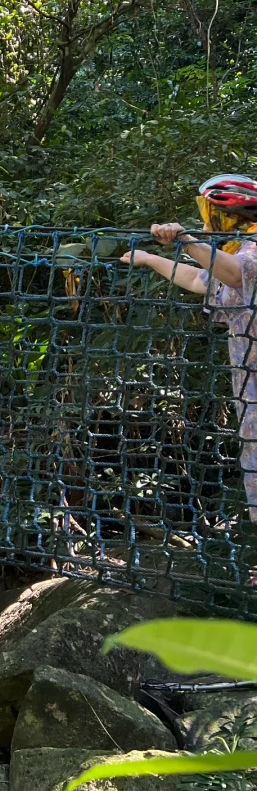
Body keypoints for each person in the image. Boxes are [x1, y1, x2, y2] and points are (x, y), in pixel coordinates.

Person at [121, 173, 257, 526]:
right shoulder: (233, 251)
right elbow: (200, 279)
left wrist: (185, 238)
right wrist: (151, 259)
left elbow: (236, 275)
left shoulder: (253, 249)